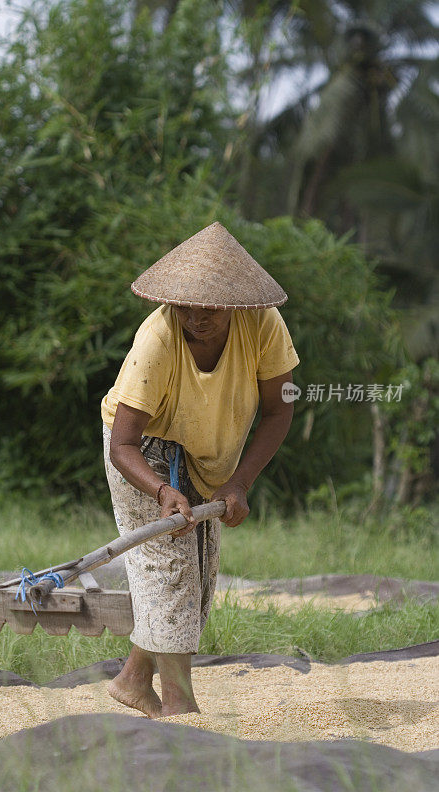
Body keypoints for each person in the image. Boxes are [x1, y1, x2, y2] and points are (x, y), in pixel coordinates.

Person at [101, 221, 300, 718]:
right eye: (185, 305)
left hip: (207, 456)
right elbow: (122, 445)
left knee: (199, 575)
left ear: (234, 303)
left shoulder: (264, 326)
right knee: (170, 573)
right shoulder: (159, 338)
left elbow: (280, 409)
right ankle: (179, 707)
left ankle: (132, 682)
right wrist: (162, 490)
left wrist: (240, 482)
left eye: (208, 307)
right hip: (144, 452)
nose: (195, 317)